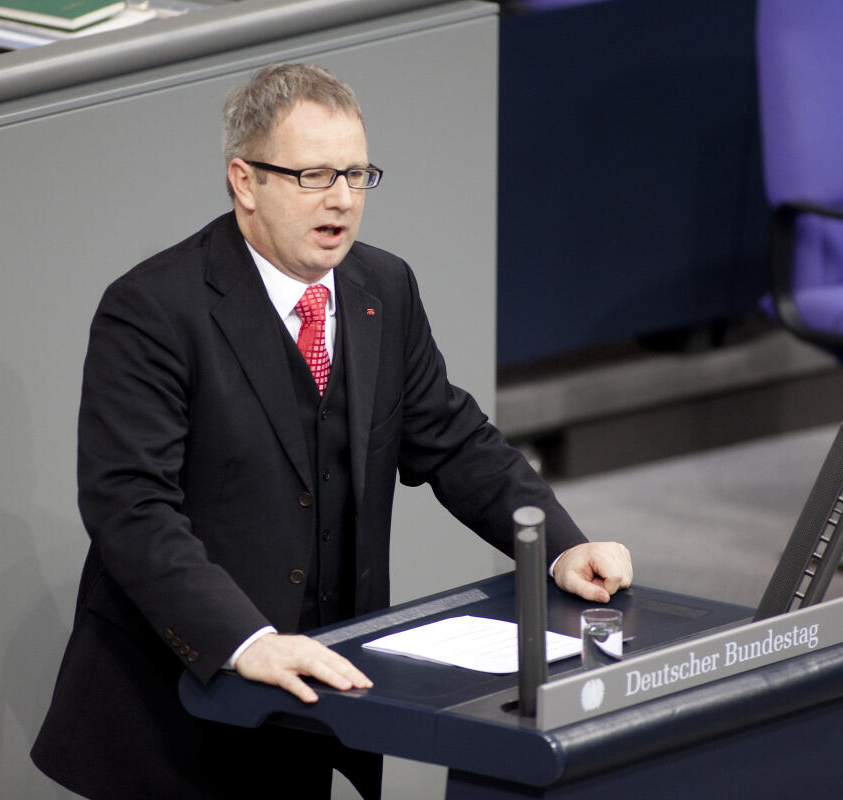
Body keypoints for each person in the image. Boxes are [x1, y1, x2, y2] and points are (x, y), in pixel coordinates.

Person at [31, 62, 633, 800]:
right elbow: (131, 509)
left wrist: (561, 547)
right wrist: (246, 642)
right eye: (314, 176)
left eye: (357, 175)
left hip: (319, 693)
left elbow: (452, 437)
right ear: (245, 182)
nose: (343, 201)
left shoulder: (384, 288)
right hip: (181, 711)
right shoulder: (153, 311)